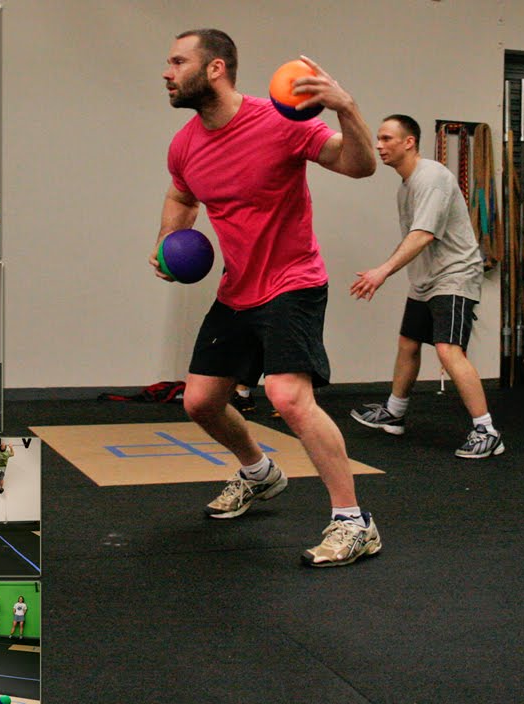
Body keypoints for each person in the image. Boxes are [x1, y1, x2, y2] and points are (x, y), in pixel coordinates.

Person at [152, 29, 381, 567]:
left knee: (286, 395)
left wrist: (347, 107)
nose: (166, 72)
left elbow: (359, 164)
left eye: (177, 62)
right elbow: (180, 195)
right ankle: (259, 472)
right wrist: (166, 242)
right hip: (237, 288)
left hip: (293, 280)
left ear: (215, 69)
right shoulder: (185, 144)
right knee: (200, 401)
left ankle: (353, 521)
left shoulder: (280, 121)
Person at [349, 114, 503, 459]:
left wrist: (382, 271)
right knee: (408, 343)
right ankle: (395, 412)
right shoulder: (406, 186)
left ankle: (486, 430)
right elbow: (417, 238)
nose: (379, 145)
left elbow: (423, 235)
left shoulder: (431, 177)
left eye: (387, 138)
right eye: (378, 138)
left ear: (409, 142)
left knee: (449, 350)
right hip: (426, 278)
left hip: (454, 276)